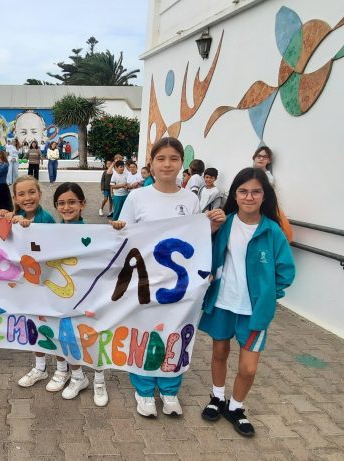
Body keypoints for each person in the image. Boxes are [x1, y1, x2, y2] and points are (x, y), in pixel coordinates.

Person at [111, 137, 226, 418]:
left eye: (173, 158)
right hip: (145, 282)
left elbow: (193, 238)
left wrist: (211, 227)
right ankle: (144, 390)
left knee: (175, 334)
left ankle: (171, 389)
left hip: (180, 286)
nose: (167, 164)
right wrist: (116, 228)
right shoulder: (137, 197)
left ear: (181, 164)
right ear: (151, 162)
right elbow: (123, 237)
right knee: (144, 335)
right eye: (161, 158)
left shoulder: (189, 198)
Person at [199, 167, 295, 437]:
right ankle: (217, 397)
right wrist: (211, 228)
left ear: (265, 196)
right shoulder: (225, 222)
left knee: (248, 367)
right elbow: (201, 250)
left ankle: (236, 407)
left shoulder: (272, 231)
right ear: (235, 195)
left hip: (253, 311)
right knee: (219, 353)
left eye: (255, 191)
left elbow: (286, 272)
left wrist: (267, 295)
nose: (249, 197)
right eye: (243, 191)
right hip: (222, 303)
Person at [6, 176, 70, 391]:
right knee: (33, 326)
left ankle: (62, 368)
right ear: (15, 198)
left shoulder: (47, 220)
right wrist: (8, 220)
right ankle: (40, 367)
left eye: (31, 192)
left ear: (40, 194)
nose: (27, 198)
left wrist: (30, 230)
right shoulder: (16, 218)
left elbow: (53, 250)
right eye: (21, 194)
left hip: (49, 284)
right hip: (28, 284)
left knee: (52, 325)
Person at [49, 182, 109, 406]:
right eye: (62, 203)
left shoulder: (95, 233)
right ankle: (77, 377)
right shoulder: (49, 232)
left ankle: (100, 381)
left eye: (72, 202)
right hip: (63, 298)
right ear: (56, 206)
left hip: (90, 298)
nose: (67, 207)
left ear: (83, 204)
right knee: (68, 338)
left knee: (93, 337)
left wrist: (120, 227)